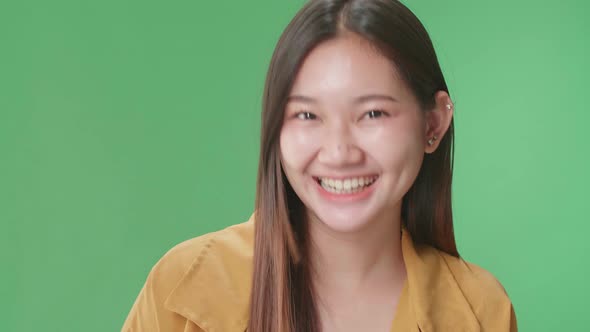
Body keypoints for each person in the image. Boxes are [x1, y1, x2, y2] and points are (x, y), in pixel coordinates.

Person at [122, 0, 517, 331]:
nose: (339, 152)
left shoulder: (481, 310)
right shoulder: (182, 288)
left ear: (433, 123)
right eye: (307, 116)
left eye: (373, 113)